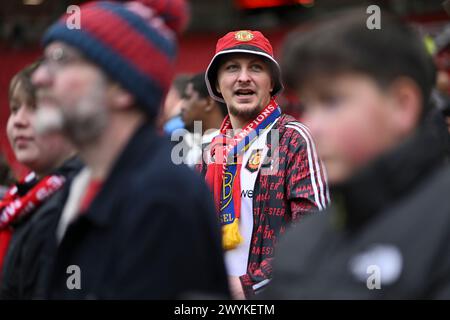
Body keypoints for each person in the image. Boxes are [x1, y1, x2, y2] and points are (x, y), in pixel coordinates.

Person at [31, 0, 229, 299]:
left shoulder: (165, 198)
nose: (39, 77)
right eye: (45, 61)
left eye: (62, 59)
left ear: (122, 89)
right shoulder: (78, 187)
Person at [264, 8, 450, 299]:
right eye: (307, 106)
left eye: (332, 101)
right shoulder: (297, 244)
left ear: (402, 104)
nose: (311, 125)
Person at [201, 30, 329, 299]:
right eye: (232, 68)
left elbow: (315, 232)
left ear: (271, 83)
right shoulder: (210, 152)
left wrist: (250, 286)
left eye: (256, 67)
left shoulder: (293, 139)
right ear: (217, 84)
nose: (243, 77)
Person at [0, 61, 80, 299]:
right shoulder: (24, 198)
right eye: (14, 109)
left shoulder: (79, 203)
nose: (18, 121)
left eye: (35, 109)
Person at [179, 72, 227, 167]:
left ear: (209, 103)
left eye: (188, 98)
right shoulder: (189, 142)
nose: (182, 106)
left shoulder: (229, 148)